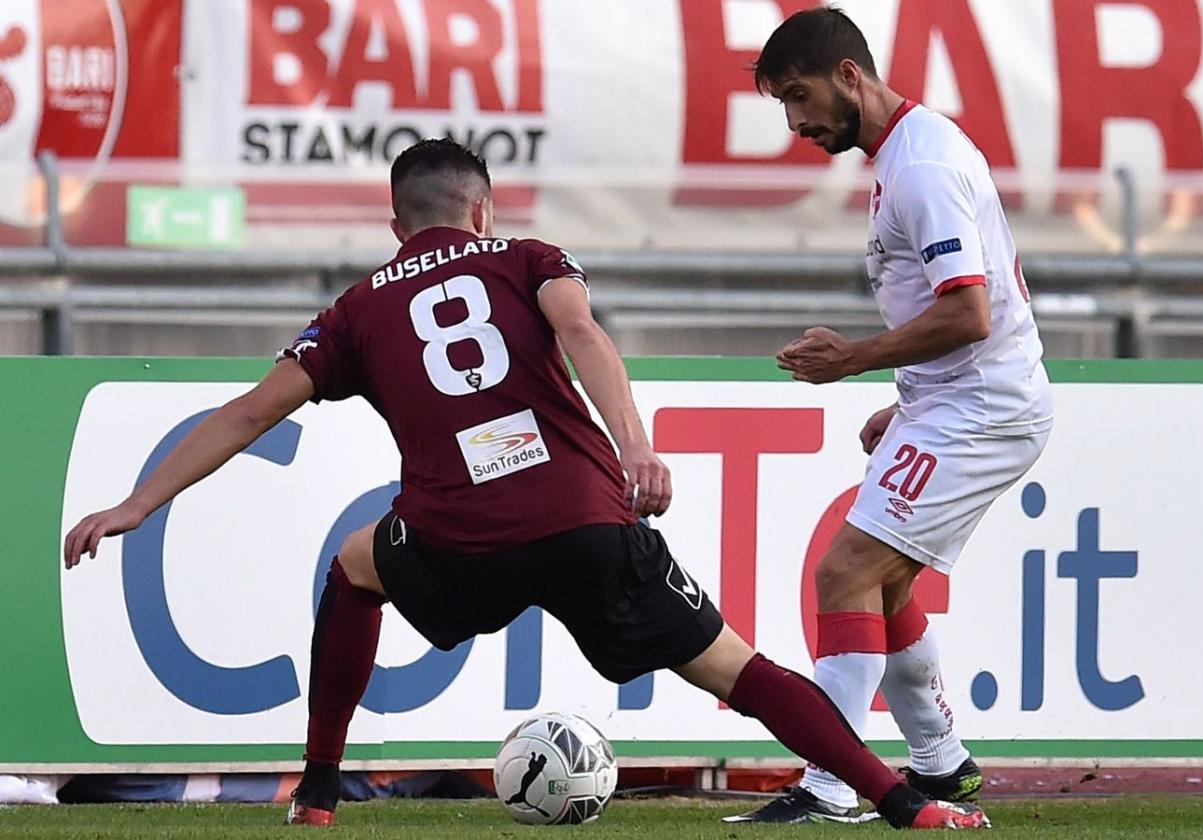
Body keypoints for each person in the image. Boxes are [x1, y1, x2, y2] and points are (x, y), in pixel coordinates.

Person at [62, 138, 988, 831]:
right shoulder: (526, 258)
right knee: (742, 672)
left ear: (396, 226)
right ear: (483, 210)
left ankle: (315, 795)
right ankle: (907, 805)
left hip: (455, 540)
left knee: (354, 570)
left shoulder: (354, 309)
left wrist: (138, 504)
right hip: (584, 519)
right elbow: (583, 335)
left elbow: (248, 413)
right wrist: (637, 445)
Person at [726, 7, 1054, 825]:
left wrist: (854, 359)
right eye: (784, 108)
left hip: (985, 408)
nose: (798, 122)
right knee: (885, 576)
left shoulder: (922, 167)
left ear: (849, 76)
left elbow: (971, 313)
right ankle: (941, 760)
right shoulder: (904, 155)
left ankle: (831, 784)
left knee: (847, 571)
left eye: (800, 98)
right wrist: (903, 399)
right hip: (955, 399)